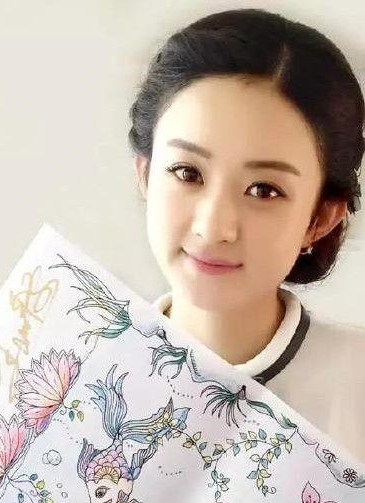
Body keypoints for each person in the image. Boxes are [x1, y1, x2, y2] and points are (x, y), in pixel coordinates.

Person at [127, 8, 365, 462]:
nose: (214, 227)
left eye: (264, 190)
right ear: (145, 174)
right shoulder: (67, 371)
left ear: (319, 218)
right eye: (187, 173)